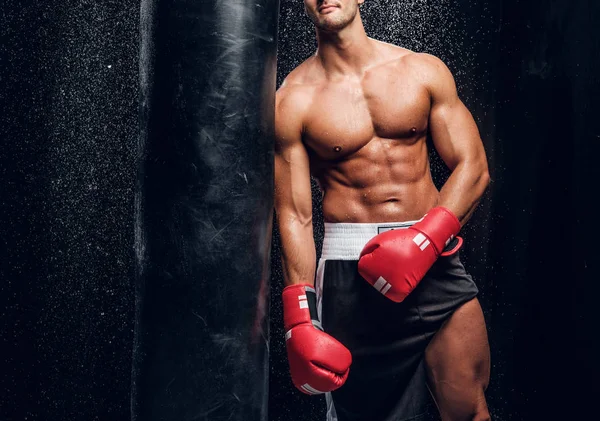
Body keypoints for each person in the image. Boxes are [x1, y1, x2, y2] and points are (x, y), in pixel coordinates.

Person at [274, 1, 492, 420]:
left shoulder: (421, 70)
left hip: (434, 259)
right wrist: (299, 319)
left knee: (469, 410)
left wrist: (425, 240)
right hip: (351, 270)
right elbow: (295, 215)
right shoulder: (292, 101)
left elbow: (474, 167)